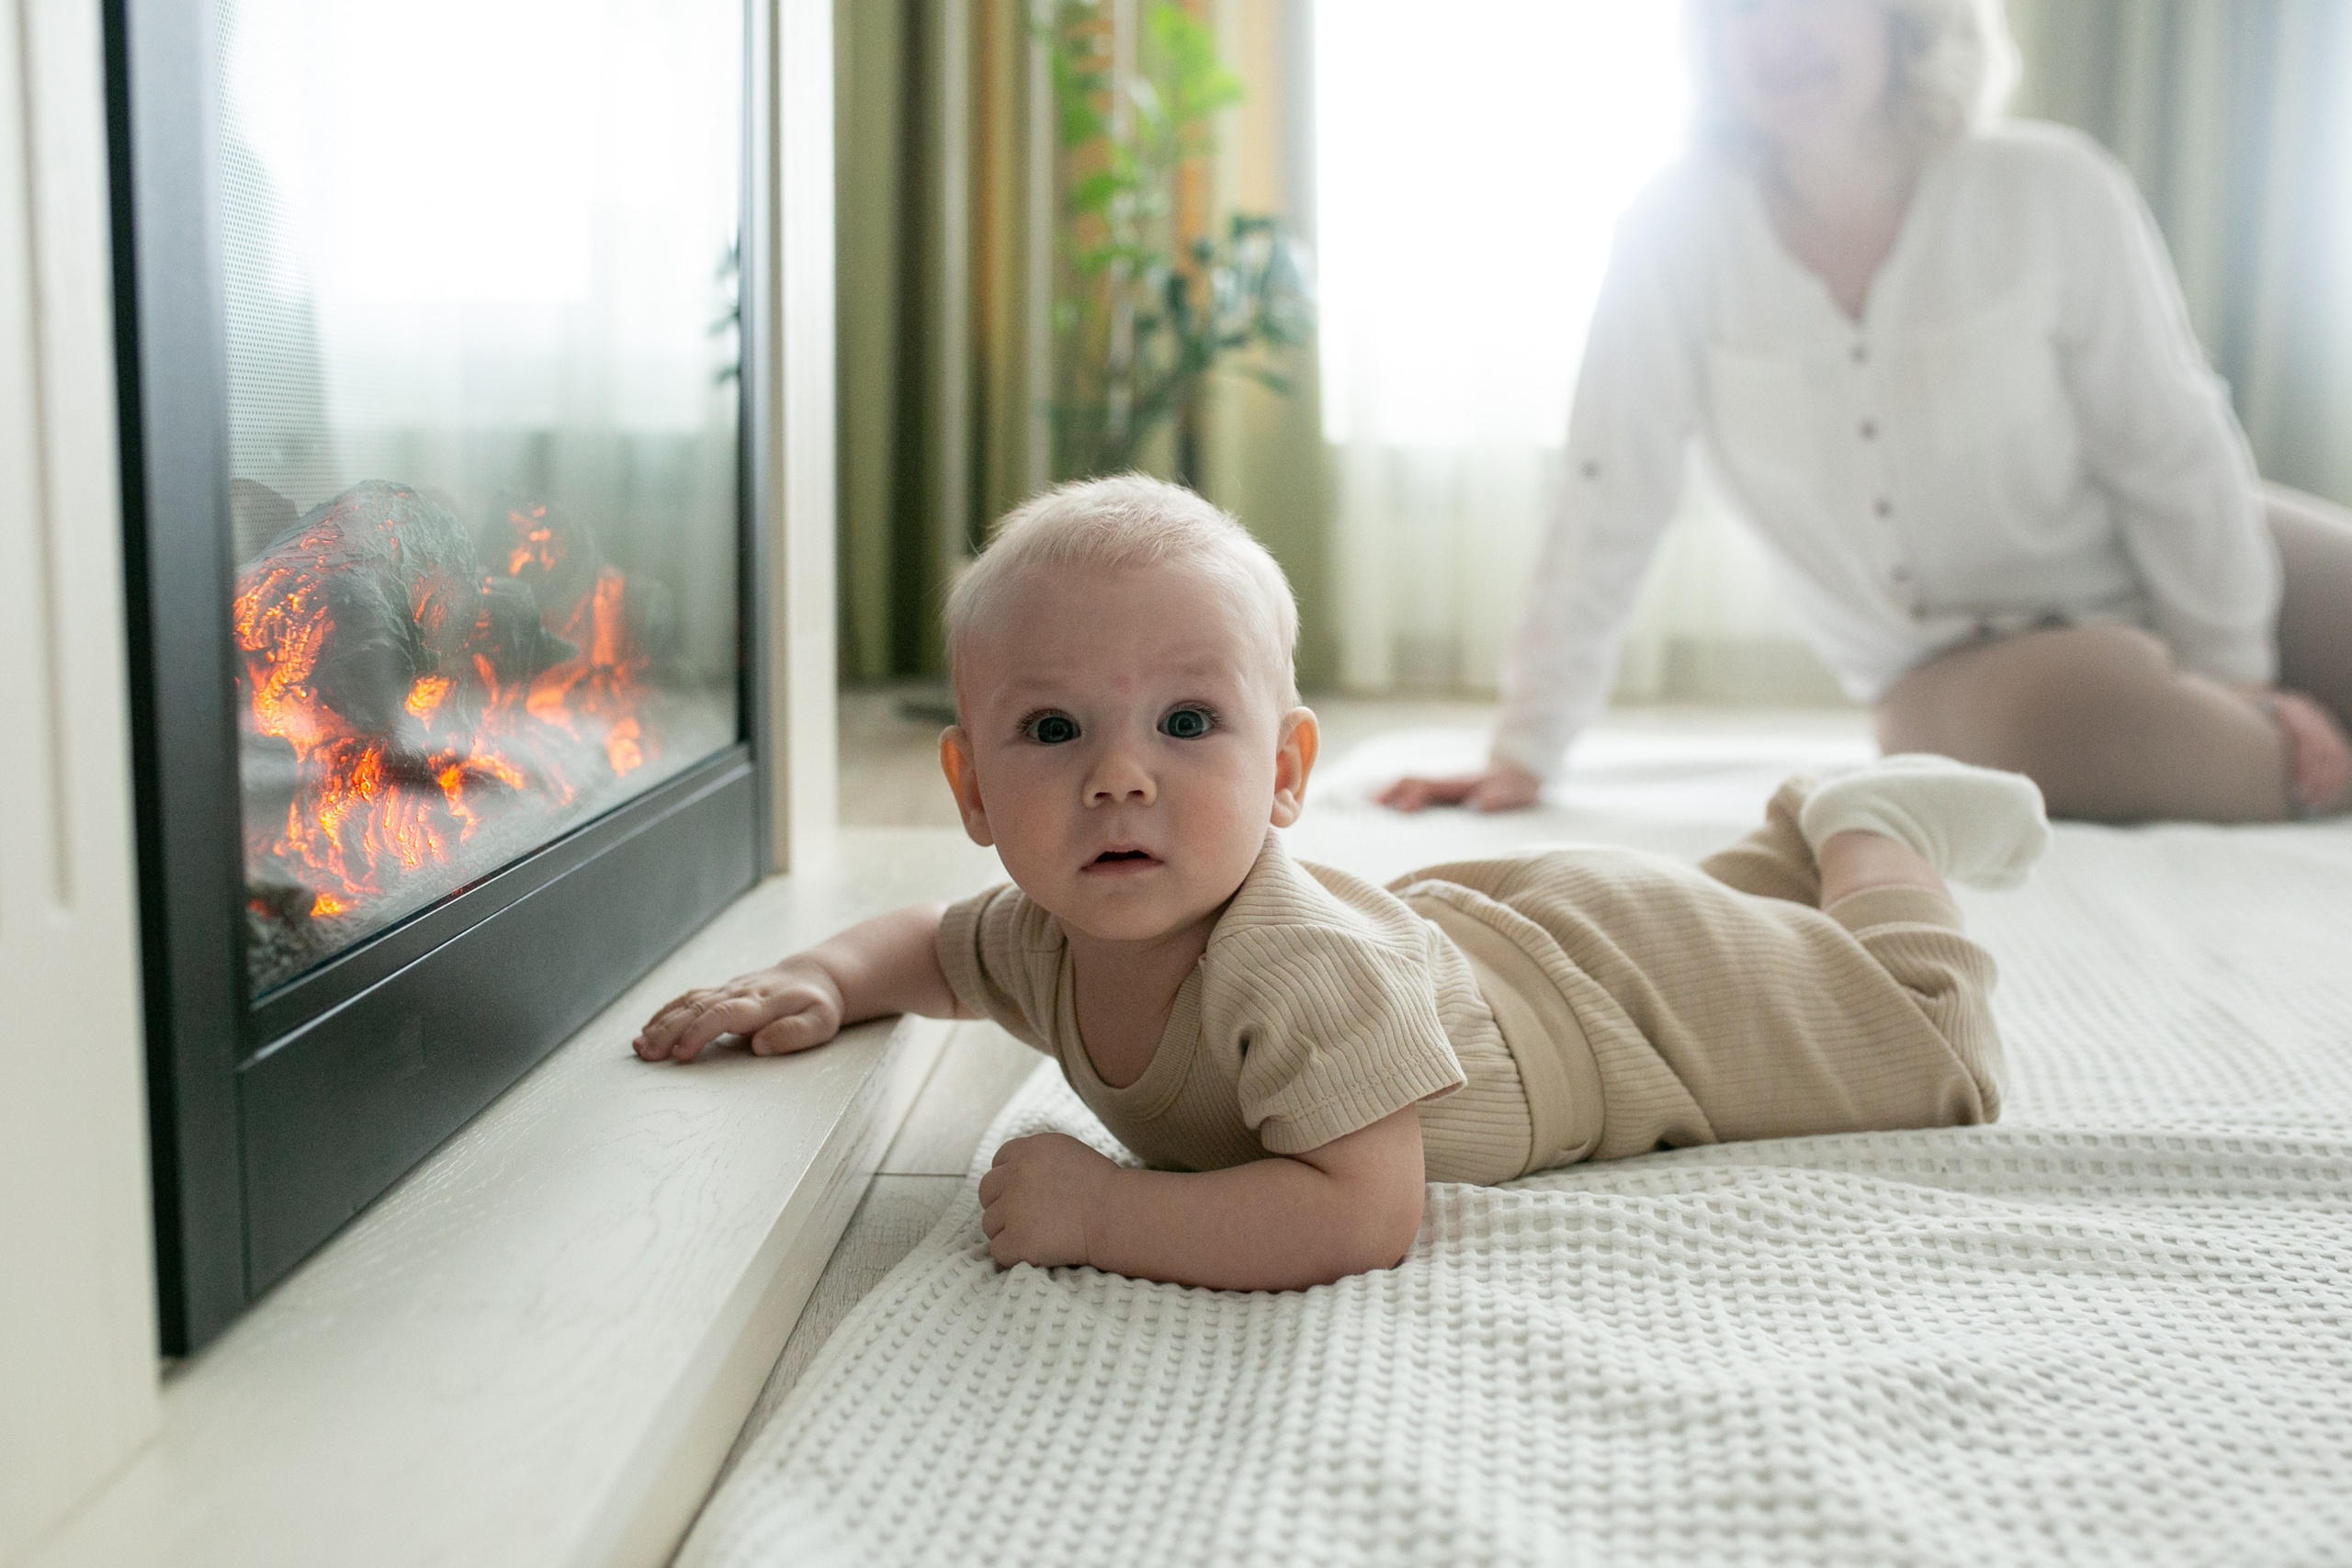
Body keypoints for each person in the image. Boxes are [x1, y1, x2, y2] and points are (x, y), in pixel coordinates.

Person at [633, 477, 2050, 1292]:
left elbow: (1363, 1210)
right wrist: (817, 977)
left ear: (1287, 768)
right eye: (1053, 729)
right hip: (1506, 940)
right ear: (972, 791)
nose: (1119, 776)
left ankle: (1867, 823)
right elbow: (927, 948)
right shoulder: (1043, 934)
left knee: (1933, 1053)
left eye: (1188, 722)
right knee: (1765, 939)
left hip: (1618, 998)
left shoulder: (1290, 966)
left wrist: (1105, 1214)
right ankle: (1782, 866)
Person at [1379, 0, 2352, 825]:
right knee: (2090, 724)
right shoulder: (1671, 231)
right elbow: (1608, 496)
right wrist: (1524, 748)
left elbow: (2170, 448)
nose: (1780, 36)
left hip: (2174, 553)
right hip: (1961, 670)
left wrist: (2236, 675)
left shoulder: (2055, 187)